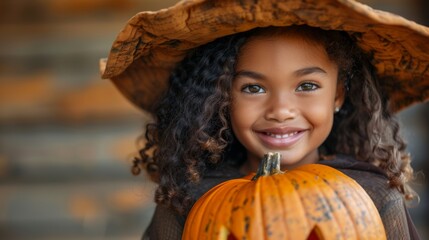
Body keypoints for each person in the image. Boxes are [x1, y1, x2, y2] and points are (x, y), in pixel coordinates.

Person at [100, 0, 429, 239]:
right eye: (253, 87)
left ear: (339, 95)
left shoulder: (372, 195)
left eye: (307, 86)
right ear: (221, 99)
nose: (281, 110)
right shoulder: (189, 200)